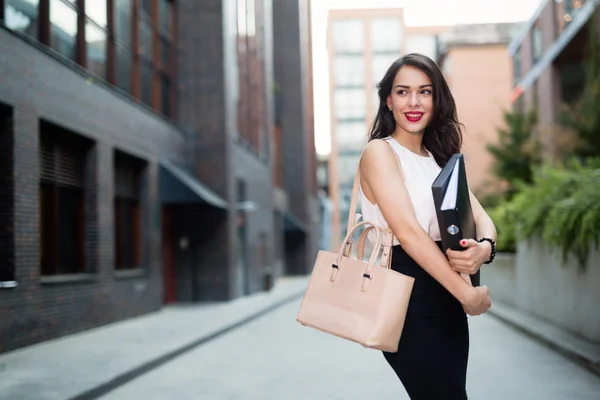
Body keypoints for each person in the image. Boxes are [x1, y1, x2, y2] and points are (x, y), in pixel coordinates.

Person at [358, 53, 496, 399]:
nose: (414, 102)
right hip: (410, 297)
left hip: (446, 297)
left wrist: (486, 248)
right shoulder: (380, 153)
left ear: (437, 99)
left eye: (425, 91)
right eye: (403, 92)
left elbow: (482, 217)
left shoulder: (439, 160)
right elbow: (407, 232)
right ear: (388, 100)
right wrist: (466, 293)